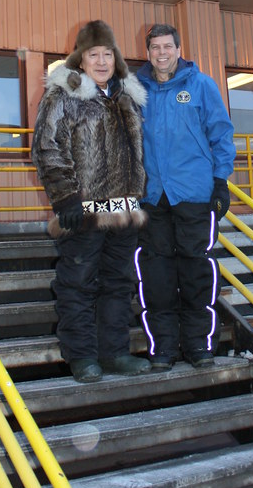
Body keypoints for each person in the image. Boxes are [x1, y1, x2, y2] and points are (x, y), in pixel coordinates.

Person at [31, 20, 152, 384]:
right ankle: (82, 357)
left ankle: (114, 353)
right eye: (93, 54)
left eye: (107, 54)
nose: (101, 62)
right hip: (82, 210)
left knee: (118, 284)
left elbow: (138, 152)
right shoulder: (63, 96)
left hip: (122, 210)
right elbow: (47, 147)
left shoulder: (126, 98)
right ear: (80, 60)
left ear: (116, 59)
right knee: (79, 283)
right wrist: (65, 197)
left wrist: (139, 194)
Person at [136, 24, 235, 370]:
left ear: (179, 50)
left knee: (196, 273)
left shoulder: (201, 85)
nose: (161, 53)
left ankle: (199, 344)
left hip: (194, 193)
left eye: (168, 47)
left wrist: (220, 181)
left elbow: (221, 134)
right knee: (157, 275)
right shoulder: (136, 90)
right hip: (152, 196)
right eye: (155, 47)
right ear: (148, 52)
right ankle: (163, 346)